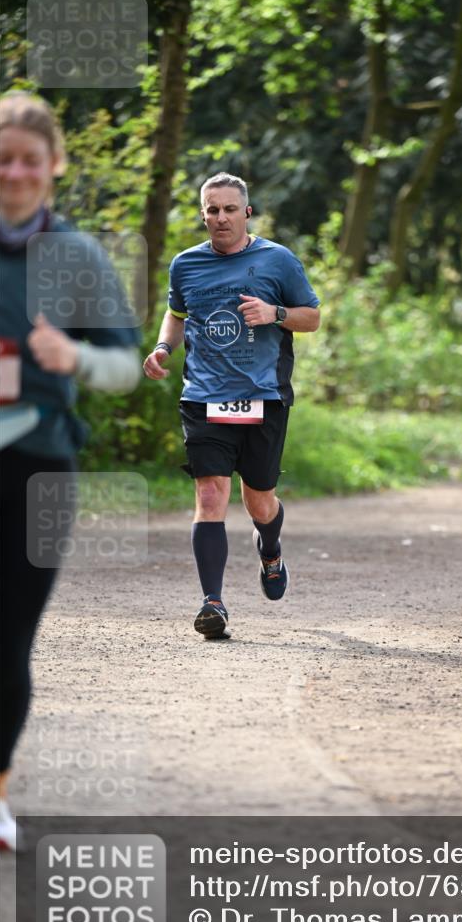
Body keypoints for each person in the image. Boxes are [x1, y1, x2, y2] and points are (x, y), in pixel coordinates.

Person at [0, 92, 141, 851]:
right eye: (2, 158)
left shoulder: (79, 257)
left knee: (8, 638)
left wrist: (73, 357)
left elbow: (127, 366)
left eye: (29, 159)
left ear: (54, 166)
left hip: (40, 469)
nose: (15, 172)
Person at [143, 172, 320, 639]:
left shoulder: (278, 261)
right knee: (209, 495)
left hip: (264, 395)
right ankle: (213, 603)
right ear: (202, 214)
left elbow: (313, 317)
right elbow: (176, 314)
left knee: (258, 501)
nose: (220, 217)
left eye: (228, 209)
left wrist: (275, 314)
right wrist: (163, 347)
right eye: (212, 209)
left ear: (246, 212)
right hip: (203, 396)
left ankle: (271, 546)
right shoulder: (185, 265)